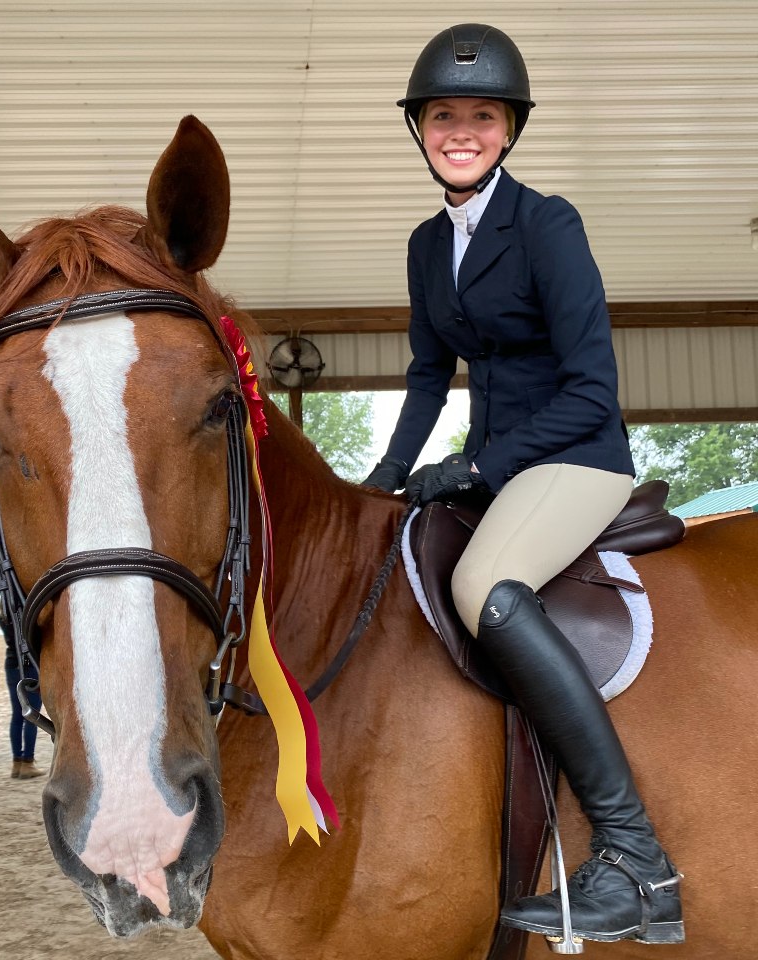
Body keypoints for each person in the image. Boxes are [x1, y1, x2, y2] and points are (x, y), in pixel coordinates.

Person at [364, 23, 683, 946]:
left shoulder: (548, 223)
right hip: (502, 460)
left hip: (577, 455)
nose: (460, 129)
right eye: (443, 115)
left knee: (485, 591)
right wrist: (385, 480)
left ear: (507, 131)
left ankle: (634, 858)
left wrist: (473, 466)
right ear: (421, 129)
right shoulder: (429, 244)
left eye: (482, 115)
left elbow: (594, 387)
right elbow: (430, 374)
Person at [0, 614, 44, 780]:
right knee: (31, 716)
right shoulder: (25, 615)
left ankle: (17, 762)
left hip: (12, 664)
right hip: (30, 664)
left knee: (17, 715)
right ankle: (28, 762)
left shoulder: (3, 616)